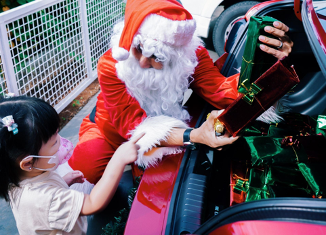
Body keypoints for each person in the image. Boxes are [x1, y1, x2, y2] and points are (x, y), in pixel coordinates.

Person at [68, 0, 294, 184]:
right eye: (138, 48)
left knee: (158, 183)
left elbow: (221, 91)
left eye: (158, 56)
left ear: (176, 54)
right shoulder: (111, 64)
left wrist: (268, 62)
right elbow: (131, 126)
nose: (144, 63)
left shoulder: (191, 56)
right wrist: (193, 136)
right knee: (84, 171)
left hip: (165, 128)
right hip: (108, 129)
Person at [0, 96, 143, 234]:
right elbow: (93, 203)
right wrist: (118, 159)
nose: (61, 142)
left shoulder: (21, 178)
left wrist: (63, 182)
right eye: (54, 142)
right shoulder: (44, 200)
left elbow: (45, 200)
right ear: (28, 162)